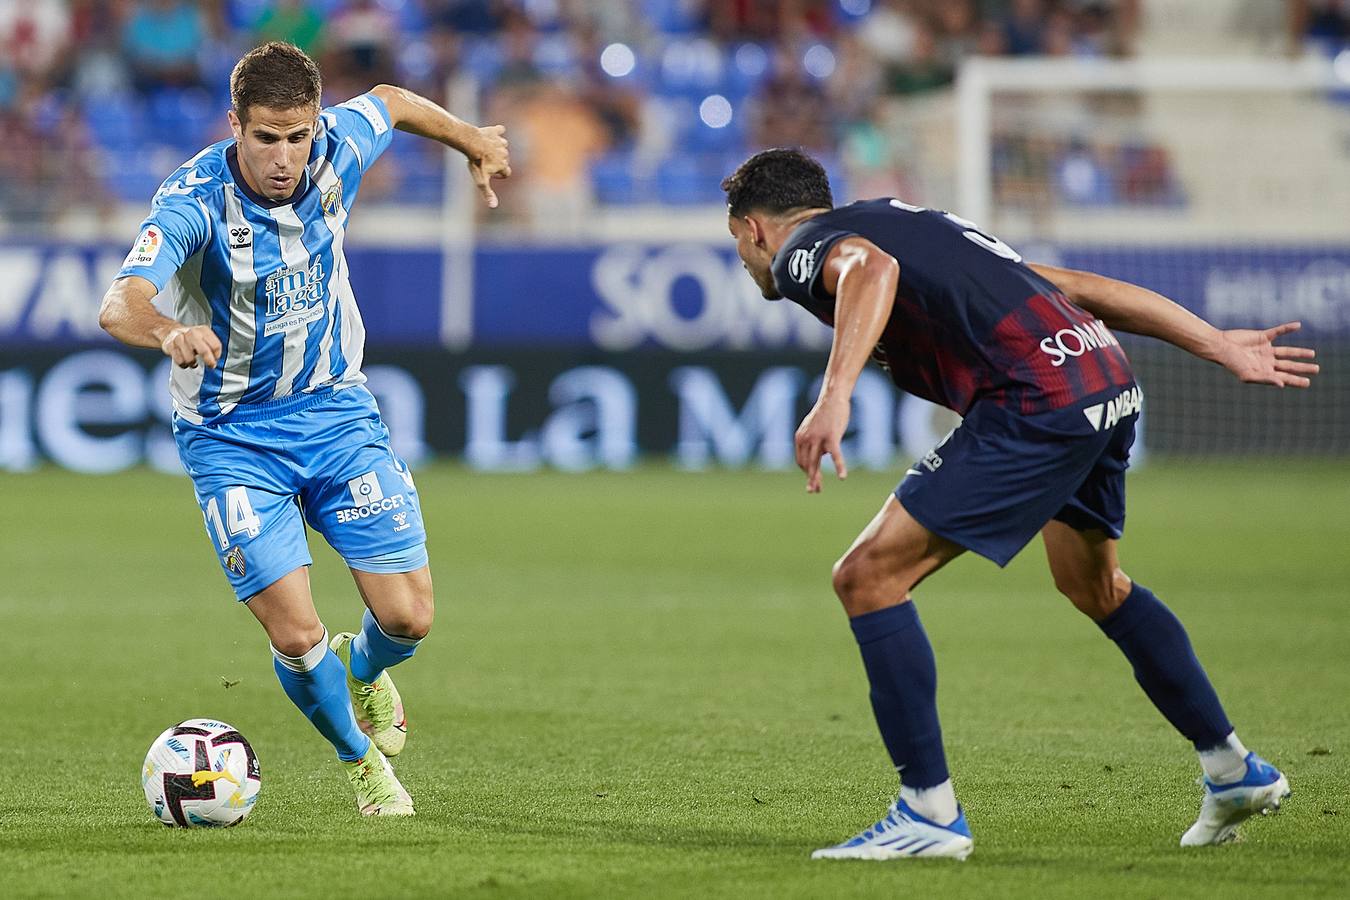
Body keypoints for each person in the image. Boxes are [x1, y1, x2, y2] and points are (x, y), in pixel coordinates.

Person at [720, 148, 1317, 860]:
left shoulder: (801, 250)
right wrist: (1214, 342)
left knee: (867, 577)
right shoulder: (910, 221)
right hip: (1104, 378)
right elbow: (1072, 286)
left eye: (738, 246)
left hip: (1038, 398)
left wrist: (835, 393)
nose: (748, 261)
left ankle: (928, 814)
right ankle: (1231, 769)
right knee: (1095, 585)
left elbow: (868, 273)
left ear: (755, 229)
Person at [98, 41, 510, 817]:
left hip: (333, 409)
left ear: (316, 125)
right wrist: (166, 333)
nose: (285, 157)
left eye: (298, 136)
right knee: (293, 632)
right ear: (235, 126)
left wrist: (474, 140)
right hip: (231, 436)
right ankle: (361, 765)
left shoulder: (337, 147)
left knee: (408, 617)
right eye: (265, 137)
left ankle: (363, 667)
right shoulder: (191, 201)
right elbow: (120, 303)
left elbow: (389, 99)